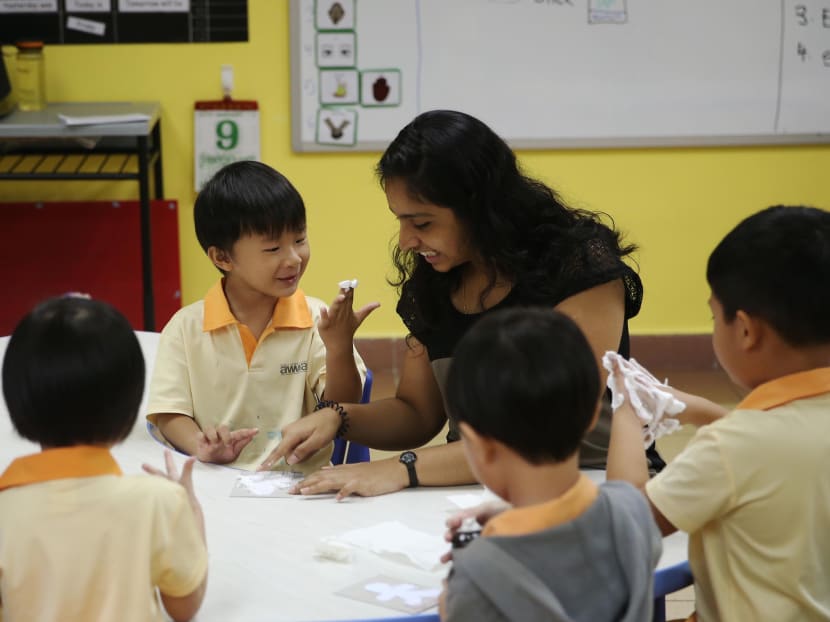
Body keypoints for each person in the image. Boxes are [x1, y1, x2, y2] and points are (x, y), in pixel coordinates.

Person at [262, 109, 647, 496]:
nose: (406, 241)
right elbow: (417, 413)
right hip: (477, 485)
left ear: (480, 207)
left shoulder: (578, 266)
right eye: (400, 220)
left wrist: (403, 468)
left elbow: (543, 431)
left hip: (591, 484)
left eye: (423, 223)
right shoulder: (438, 279)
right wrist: (338, 417)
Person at [607, 205, 830, 621]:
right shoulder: (754, 439)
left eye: (714, 317)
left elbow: (627, 527)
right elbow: (781, 454)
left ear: (745, 330)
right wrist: (701, 411)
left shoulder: (734, 447)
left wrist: (624, 412)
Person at [147, 160, 377, 472]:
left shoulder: (314, 319)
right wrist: (200, 446)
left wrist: (338, 347)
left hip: (298, 484)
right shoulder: (185, 328)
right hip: (216, 482)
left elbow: (341, 405)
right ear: (223, 257)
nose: (294, 258)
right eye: (273, 249)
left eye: (299, 240)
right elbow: (168, 412)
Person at [439, 307, 661, 622]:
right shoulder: (633, 513)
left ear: (478, 446)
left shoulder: (477, 580)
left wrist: (450, 607)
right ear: (590, 419)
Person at [0, 296, 208, 622]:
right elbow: (185, 607)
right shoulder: (159, 501)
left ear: (18, 404)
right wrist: (190, 509)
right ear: (126, 414)